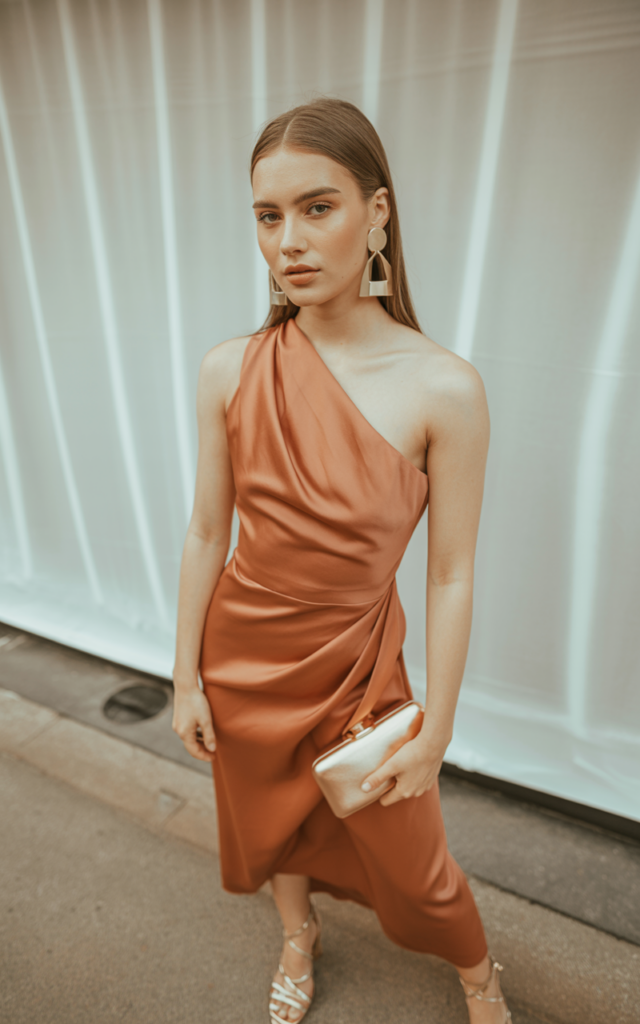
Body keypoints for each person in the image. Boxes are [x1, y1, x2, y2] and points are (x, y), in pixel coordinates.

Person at [171, 97, 511, 1024]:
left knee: (416, 855)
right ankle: (297, 934)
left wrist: (436, 725)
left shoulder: (446, 387)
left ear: (379, 214)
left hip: (360, 669)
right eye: (267, 216)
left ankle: (479, 977)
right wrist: (186, 676)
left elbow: (450, 573)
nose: (289, 239)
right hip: (241, 657)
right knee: (273, 828)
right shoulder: (229, 368)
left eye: (317, 207)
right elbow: (208, 532)